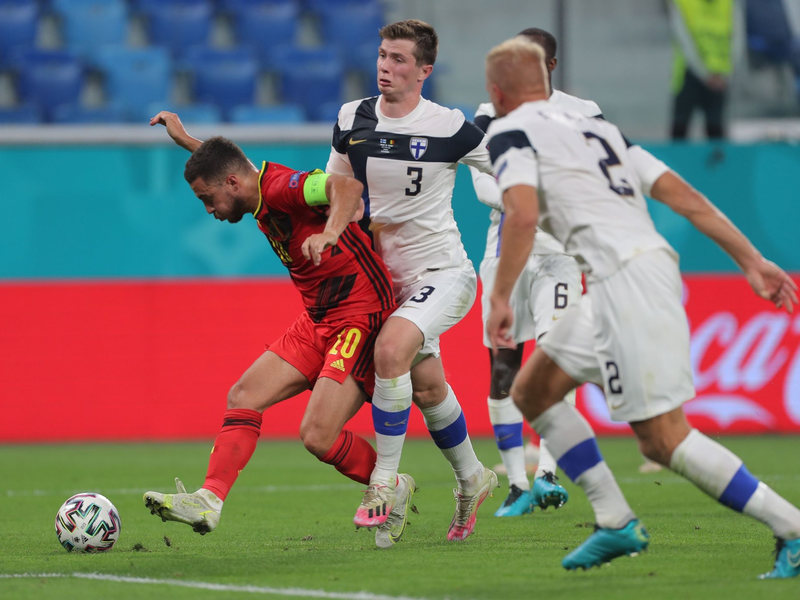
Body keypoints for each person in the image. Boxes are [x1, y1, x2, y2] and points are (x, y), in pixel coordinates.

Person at [485, 38, 800, 578]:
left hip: (626, 280)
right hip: (624, 276)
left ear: (496, 93)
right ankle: (615, 521)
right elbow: (682, 195)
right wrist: (751, 260)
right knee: (532, 391)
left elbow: (519, 215)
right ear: (545, 78)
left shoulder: (508, 131)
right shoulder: (599, 129)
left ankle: (792, 528)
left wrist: (500, 296)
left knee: (664, 438)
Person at [142, 113, 414, 547]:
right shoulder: (246, 184)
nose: (209, 210)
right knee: (244, 396)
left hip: (361, 316)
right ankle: (209, 500)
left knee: (316, 436)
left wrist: (329, 233)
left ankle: (391, 483)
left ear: (230, 185)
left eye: (207, 200)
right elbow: (230, 169)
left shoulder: (286, 187)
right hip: (319, 318)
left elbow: (346, 187)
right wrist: (190, 142)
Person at [326, 19, 497, 544]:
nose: (385, 66)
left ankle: (383, 484)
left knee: (392, 350)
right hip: (387, 285)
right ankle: (473, 477)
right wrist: (334, 230)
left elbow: (510, 168)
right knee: (427, 389)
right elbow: (337, 186)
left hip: (444, 273)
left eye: (399, 59)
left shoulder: (448, 126)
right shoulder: (352, 117)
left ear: (424, 71)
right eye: (382, 55)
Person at [471, 27, 598, 519]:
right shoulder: (489, 114)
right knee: (503, 366)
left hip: (559, 255)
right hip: (503, 253)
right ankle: (516, 484)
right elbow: (483, 181)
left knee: (555, 359)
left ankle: (547, 472)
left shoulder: (583, 111)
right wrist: (527, 198)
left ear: (550, 66)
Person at [668, 0, 741, 139]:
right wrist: (706, 75)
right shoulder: (682, 3)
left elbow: (737, 39)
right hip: (688, 75)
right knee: (680, 131)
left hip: (720, 79)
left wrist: (727, 75)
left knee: (716, 133)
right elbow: (683, 39)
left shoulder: (729, 4)